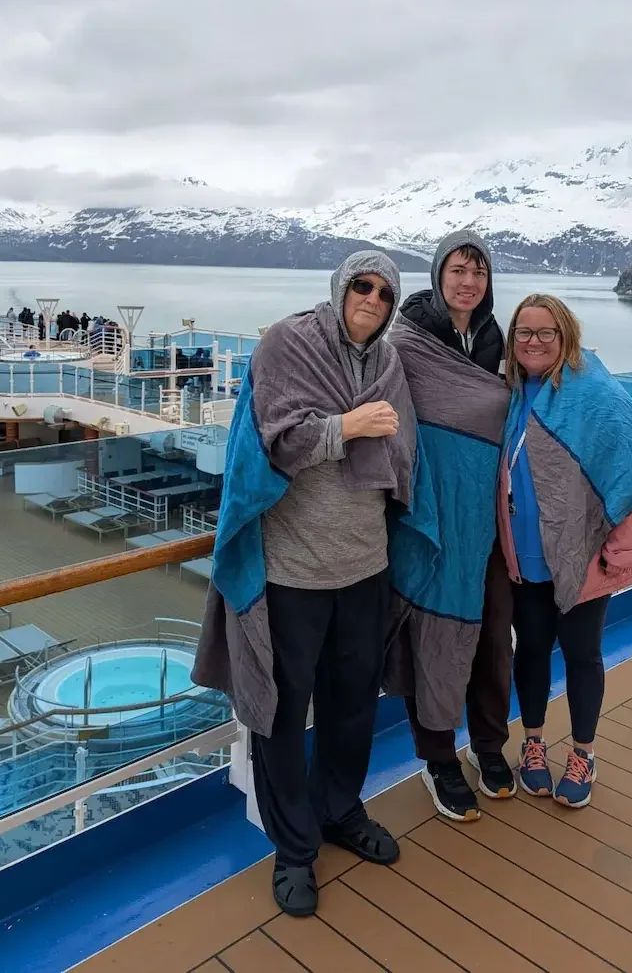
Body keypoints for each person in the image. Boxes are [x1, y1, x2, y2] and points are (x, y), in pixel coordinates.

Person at [193, 252, 427, 919]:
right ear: (340, 287)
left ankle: (339, 810)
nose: (373, 299)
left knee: (353, 704)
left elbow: (403, 447)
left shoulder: (387, 360)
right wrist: (349, 426)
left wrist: (369, 439)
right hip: (293, 569)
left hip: (366, 564)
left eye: (386, 293)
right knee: (282, 712)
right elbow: (277, 442)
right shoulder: (286, 343)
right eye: (362, 286)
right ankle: (293, 848)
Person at [497, 295, 632, 807]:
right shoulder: (513, 392)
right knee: (531, 650)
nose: (534, 342)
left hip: (584, 556)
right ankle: (533, 743)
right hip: (525, 556)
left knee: (581, 655)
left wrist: (618, 553)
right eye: (524, 332)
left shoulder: (596, 394)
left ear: (566, 337)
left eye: (546, 333)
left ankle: (583, 753)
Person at [386, 231, 514, 821]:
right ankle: (438, 757)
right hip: (429, 516)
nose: (468, 282)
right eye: (458, 270)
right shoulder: (407, 342)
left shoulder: (496, 343)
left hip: (488, 519)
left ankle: (488, 745)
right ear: (438, 275)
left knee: (492, 637)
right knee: (432, 632)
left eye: (479, 273)